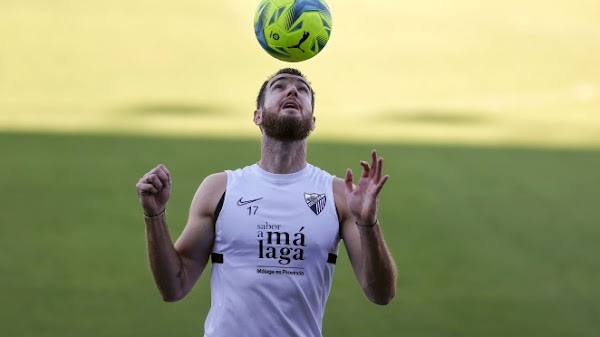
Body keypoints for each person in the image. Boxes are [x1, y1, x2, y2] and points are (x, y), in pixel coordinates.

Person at [135, 68, 397, 337]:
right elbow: (174, 287)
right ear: (257, 115)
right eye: (279, 86)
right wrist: (154, 215)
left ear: (313, 121)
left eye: (302, 90)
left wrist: (368, 224)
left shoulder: (338, 194)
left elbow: (381, 293)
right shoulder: (220, 189)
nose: (292, 91)